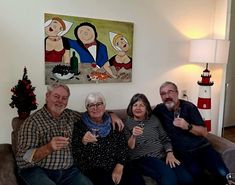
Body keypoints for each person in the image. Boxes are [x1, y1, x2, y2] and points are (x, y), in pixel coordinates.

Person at [16, 83, 123, 185]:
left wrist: (111, 114)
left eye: (64, 98)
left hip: (69, 172)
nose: (60, 101)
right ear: (47, 96)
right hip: (39, 170)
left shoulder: (71, 116)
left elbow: (93, 114)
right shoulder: (32, 122)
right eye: (56, 96)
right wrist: (48, 148)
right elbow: (22, 158)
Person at [153, 81, 230, 185]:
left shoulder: (189, 107)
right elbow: (143, 114)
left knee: (223, 173)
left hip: (203, 148)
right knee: (196, 176)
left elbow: (204, 132)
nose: (167, 96)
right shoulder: (159, 110)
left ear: (177, 92)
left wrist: (188, 126)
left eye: (170, 92)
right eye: (163, 93)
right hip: (183, 153)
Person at [125, 93, 193, 185]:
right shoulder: (128, 122)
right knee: (169, 178)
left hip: (162, 155)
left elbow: (164, 138)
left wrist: (169, 153)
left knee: (186, 178)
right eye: (135, 105)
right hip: (142, 158)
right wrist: (134, 136)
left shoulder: (154, 119)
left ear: (147, 108)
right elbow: (129, 147)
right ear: (131, 107)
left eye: (142, 105)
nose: (138, 108)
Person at [72, 92, 134, 185]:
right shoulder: (80, 125)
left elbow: (123, 147)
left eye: (99, 104)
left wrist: (119, 166)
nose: (95, 108)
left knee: (135, 179)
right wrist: (83, 141)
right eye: (91, 105)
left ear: (104, 107)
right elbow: (76, 152)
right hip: (94, 168)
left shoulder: (114, 123)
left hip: (117, 163)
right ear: (87, 108)